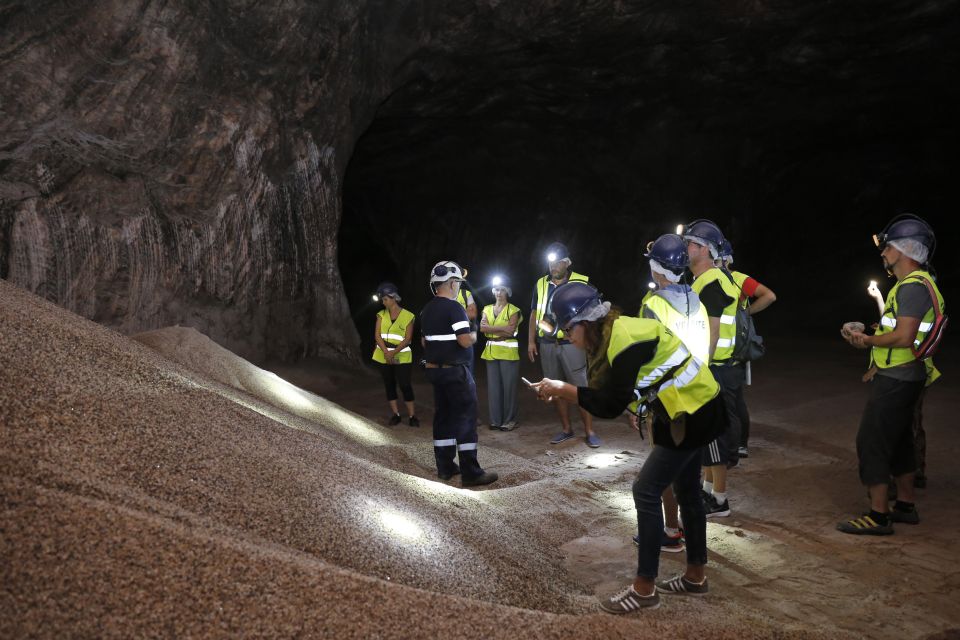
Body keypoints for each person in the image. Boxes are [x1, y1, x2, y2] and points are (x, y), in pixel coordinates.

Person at [531, 282, 725, 613]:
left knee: (645, 491)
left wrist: (563, 388)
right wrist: (639, 408)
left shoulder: (623, 339)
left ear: (585, 322)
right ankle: (695, 576)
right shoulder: (614, 333)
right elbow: (642, 380)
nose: (566, 337)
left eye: (568, 328)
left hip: (692, 412)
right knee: (687, 493)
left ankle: (644, 589)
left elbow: (608, 404)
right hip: (684, 408)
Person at [838, 214, 944, 535]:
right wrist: (867, 333)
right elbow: (897, 329)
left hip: (898, 378)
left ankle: (879, 515)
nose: (883, 252)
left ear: (906, 249)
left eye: (889, 247)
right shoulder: (915, 286)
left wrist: (866, 340)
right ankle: (906, 506)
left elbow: (903, 336)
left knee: (871, 441)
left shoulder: (913, 287)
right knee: (898, 441)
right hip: (904, 375)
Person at [635, 233, 710, 554]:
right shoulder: (697, 300)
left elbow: (646, 358)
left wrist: (640, 403)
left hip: (668, 402)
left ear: (657, 270)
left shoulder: (653, 306)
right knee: (690, 482)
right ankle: (696, 558)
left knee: (659, 475)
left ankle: (668, 531)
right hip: (699, 397)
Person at [420, 260, 499, 488]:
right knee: (465, 418)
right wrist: (474, 335)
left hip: (435, 372)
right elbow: (464, 340)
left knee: (443, 417)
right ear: (453, 283)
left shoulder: (427, 310)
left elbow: (425, 342)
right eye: (458, 283)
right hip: (456, 373)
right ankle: (471, 472)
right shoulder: (455, 308)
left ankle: (445, 467)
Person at [684, 219, 739, 517]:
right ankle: (708, 492)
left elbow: (713, 331)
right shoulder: (708, 279)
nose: (686, 248)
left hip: (715, 368)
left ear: (705, 249)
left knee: (713, 435)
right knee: (708, 436)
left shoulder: (713, 281)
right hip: (718, 366)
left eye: (690, 243)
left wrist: (699, 370)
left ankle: (720, 500)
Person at [528, 242, 600, 448]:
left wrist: (588, 339)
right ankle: (567, 429)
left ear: (567, 263)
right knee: (554, 387)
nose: (553, 266)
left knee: (581, 388)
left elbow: (594, 314)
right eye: (550, 262)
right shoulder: (541, 284)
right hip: (548, 344)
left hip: (572, 344)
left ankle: (590, 431)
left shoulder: (581, 282)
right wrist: (531, 341)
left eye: (557, 262)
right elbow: (534, 314)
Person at [717, 239, 777, 458]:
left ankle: (738, 444)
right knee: (733, 397)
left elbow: (769, 295)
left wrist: (745, 313)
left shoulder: (737, 279)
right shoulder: (712, 279)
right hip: (726, 345)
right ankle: (737, 443)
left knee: (734, 399)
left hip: (733, 347)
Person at [372, 282, 419, 426]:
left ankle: (412, 416)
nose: (383, 302)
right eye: (382, 299)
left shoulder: (408, 316)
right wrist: (386, 352)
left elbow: (408, 338)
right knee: (389, 384)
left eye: (385, 299)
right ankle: (396, 414)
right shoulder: (381, 314)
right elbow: (377, 335)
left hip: (402, 355)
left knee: (405, 384)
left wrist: (393, 352)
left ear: (394, 298)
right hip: (383, 354)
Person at [480, 276, 523, 431]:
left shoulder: (514, 310)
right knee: (494, 388)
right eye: (497, 289)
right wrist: (501, 329)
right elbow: (482, 328)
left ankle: (510, 420)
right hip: (491, 352)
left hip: (508, 352)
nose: (499, 293)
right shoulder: (486, 309)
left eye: (502, 290)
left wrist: (492, 328)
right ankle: (495, 420)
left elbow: (511, 330)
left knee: (509, 388)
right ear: (493, 291)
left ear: (508, 292)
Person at [455, 282, 479, 375]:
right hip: (449, 338)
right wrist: (463, 313)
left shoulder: (465, 293)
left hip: (465, 334)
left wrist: (451, 315)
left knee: (467, 369)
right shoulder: (441, 294)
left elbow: (473, 314)